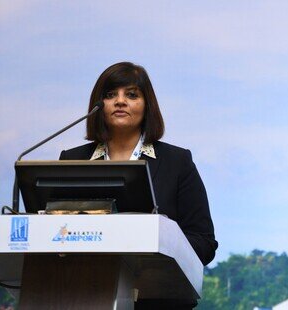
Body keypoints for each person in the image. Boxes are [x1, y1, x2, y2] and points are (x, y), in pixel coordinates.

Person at [59, 62, 218, 309]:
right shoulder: (72, 161)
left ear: (147, 105)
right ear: (98, 106)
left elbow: (205, 243)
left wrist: (160, 238)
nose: (120, 101)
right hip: (85, 295)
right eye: (110, 95)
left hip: (160, 300)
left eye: (131, 95)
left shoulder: (177, 162)